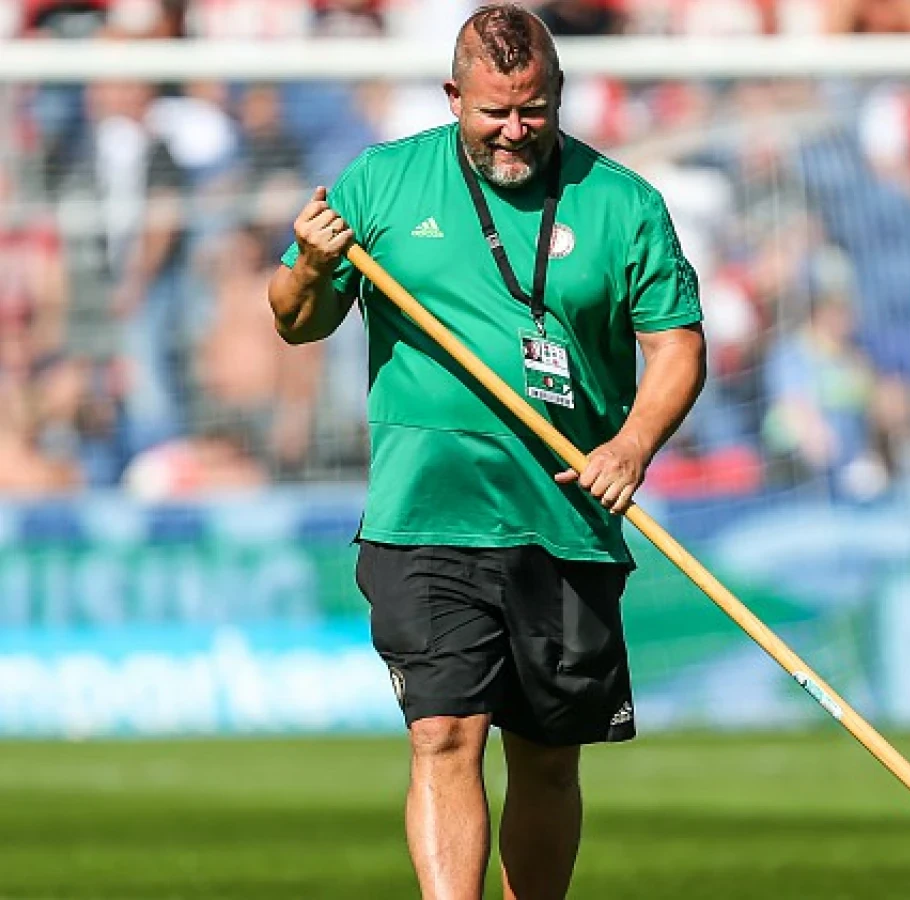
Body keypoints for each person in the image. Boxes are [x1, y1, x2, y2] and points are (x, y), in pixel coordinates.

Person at [265, 6, 707, 899]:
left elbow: (677, 345)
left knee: (546, 759)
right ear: (452, 96)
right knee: (444, 733)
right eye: (495, 111)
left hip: (567, 516)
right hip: (425, 513)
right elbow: (295, 322)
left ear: (559, 96)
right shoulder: (382, 182)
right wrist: (310, 267)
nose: (515, 130)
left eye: (534, 110)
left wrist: (630, 444)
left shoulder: (622, 201)